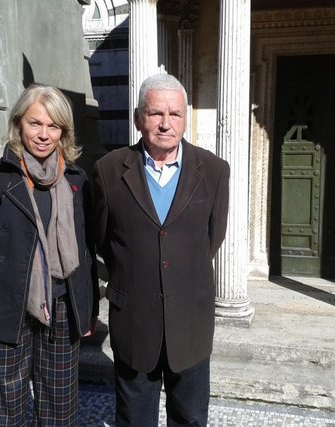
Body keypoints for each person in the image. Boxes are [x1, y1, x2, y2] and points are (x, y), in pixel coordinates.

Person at [0, 84, 99, 426]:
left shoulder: (76, 180)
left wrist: (87, 306)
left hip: (62, 310)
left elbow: (86, 246)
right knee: (2, 413)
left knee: (59, 410)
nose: (44, 135)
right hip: (5, 309)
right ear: (18, 124)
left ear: (64, 131)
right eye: (35, 124)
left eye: (53, 126)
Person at [93, 74, 230, 427]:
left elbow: (211, 239)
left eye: (175, 114)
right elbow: (102, 239)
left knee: (190, 417)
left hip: (190, 323)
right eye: (156, 114)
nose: (166, 124)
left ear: (186, 118)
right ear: (139, 118)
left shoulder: (214, 171)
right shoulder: (109, 170)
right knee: (134, 418)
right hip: (135, 320)